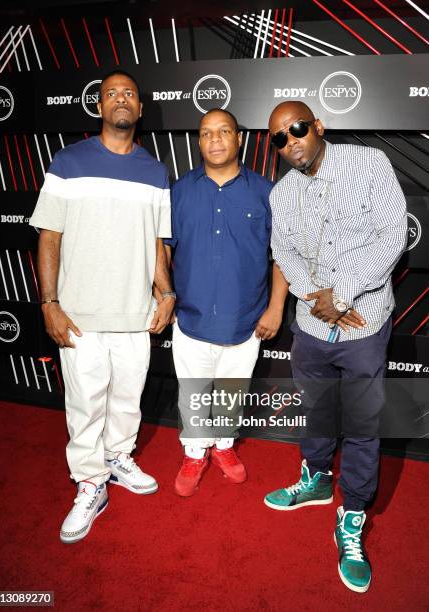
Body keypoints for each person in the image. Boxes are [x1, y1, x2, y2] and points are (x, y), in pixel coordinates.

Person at [264, 101, 407, 592]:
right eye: (279, 138)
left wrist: (341, 294)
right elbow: (283, 251)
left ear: (318, 126)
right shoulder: (281, 195)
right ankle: (317, 480)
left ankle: (353, 515)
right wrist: (316, 299)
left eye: (297, 129)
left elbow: (392, 235)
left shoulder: (369, 165)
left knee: (363, 424)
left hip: (363, 325)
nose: (290, 141)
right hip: (310, 323)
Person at [30, 70, 175, 543]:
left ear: (139, 108)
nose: (120, 99)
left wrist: (166, 293)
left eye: (129, 93)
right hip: (80, 315)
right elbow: (49, 236)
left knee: (127, 400)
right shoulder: (67, 161)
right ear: (98, 106)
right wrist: (49, 303)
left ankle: (117, 459)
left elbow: (158, 242)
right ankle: (90, 482)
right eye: (111, 93)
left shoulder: (154, 171)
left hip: (134, 315)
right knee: (85, 405)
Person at [166, 108, 289, 497]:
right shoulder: (180, 191)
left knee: (233, 393)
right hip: (191, 318)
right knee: (193, 391)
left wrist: (275, 308)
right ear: (198, 141)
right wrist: (164, 295)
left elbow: (283, 255)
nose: (215, 139)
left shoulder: (267, 192)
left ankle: (223, 447)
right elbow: (163, 251)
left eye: (223, 132)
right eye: (206, 133)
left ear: (239, 139)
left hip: (247, 318)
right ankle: (194, 450)